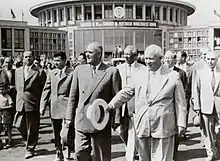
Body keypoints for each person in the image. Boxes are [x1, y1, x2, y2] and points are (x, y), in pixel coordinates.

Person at [107, 44, 187, 161]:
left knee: (163, 158)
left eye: (151, 58)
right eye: (146, 58)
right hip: (142, 125)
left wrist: (181, 124)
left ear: (161, 58)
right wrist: (111, 105)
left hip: (163, 126)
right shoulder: (139, 74)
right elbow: (126, 92)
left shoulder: (172, 76)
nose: (148, 61)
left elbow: (181, 102)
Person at [65, 41, 122, 161]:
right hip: (81, 121)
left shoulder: (111, 71)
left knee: (101, 155)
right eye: (86, 52)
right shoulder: (79, 70)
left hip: (100, 121)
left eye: (90, 52)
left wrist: (116, 120)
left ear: (99, 54)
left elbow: (117, 97)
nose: (87, 55)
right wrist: (69, 118)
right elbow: (73, 96)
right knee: (81, 154)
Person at [40, 51, 73, 161]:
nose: (55, 63)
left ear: (64, 60)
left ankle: (68, 153)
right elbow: (46, 89)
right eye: (54, 60)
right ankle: (58, 152)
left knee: (66, 133)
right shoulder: (52, 73)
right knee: (56, 133)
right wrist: (42, 106)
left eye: (58, 60)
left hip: (67, 107)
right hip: (54, 107)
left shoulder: (72, 73)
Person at [13, 51, 46, 159]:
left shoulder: (39, 71)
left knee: (32, 127)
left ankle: (30, 148)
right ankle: (30, 139)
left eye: (30, 57)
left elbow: (43, 89)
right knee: (18, 124)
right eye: (26, 57)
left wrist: (42, 104)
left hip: (32, 103)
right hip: (20, 102)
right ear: (23, 58)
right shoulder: (18, 71)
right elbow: (18, 87)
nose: (28, 59)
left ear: (33, 58)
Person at [116, 45, 147, 161]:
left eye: (129, 55)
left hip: (136, 105)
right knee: (122, 131)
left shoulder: (143, 69)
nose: (126, 57)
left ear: (135, 56)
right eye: (125, 55)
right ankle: (133, 150)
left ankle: (130, 156)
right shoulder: (118, 68)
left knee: (134, 131)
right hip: (121, 105)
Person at [194, 51, 220, 161]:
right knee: (208, 132)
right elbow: (196, 91)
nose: (210, 61)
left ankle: (216, 149)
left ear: (217, 60)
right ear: (205, 60)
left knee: (217, 131)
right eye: (208, 59)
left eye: (213, 59)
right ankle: (211, 152)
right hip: (206, 107)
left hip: (219, 107)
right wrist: (197, 107)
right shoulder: (200, 73)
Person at [163, 50, 188, 161]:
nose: (167, 60)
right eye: (166, 58)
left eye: (170, 58)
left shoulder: (181, 73)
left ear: (174, 60)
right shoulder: (161, 72)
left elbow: (185, 92)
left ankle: (173, 155)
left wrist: (184, 109)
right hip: (164, 109)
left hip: (176, 107)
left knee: (175, 134)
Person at [0, 82, 13, 149]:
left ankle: (10, 141)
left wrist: (3, 108)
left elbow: (11, 105)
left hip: (6, 114)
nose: (1, 91)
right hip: (0, 114)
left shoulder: (8, 96)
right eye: (0, 89)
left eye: (3, 89)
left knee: (8, 128)